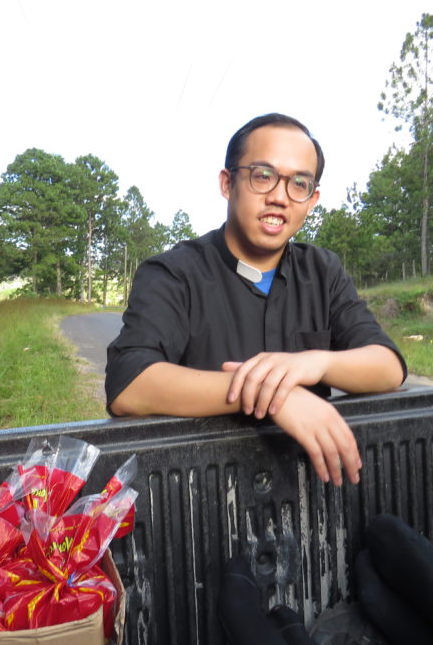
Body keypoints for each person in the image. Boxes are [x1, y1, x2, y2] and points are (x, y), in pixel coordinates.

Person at [105, 112, 406, 486]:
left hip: (306, 489)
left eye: (299, 183)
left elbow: (388, 366)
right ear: (228, 183)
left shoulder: (322, 271)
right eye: (263, 176)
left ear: (312, 199)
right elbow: (130, 385)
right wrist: (276, 395)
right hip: (201, 488)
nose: (279, 197)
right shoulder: (173, 273)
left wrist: (315, 363)